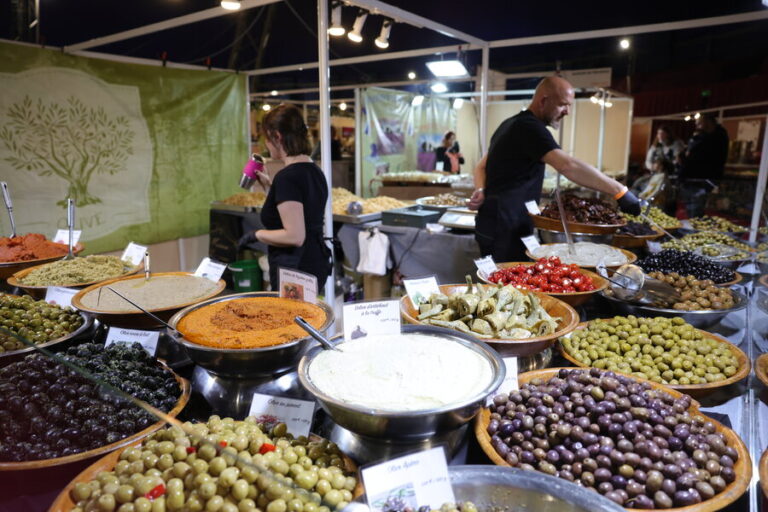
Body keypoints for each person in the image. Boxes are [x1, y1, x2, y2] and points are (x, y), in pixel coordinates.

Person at [468, 76, 641, 262]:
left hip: (497, 223)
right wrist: (619, 191)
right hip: (504, 228)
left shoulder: (510, 124)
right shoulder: (529, 127)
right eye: (563, 105)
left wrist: (481, 190)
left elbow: (481, 167)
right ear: (543, 100)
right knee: (504, 285)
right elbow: (568, 165)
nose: (567, 112)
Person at [239, 104, 332, 288]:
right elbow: (299, 211)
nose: (266, 144)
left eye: (266, 138)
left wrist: (257, 235)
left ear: (278, 136)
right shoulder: (314, 171)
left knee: (292, 317)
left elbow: (295, 236)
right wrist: (269, 188)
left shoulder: (287, 177)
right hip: (314, 262)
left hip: (295, 270)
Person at [678, 114, 729, 218]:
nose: (697, 126)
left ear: (708, 122)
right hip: (694, 178)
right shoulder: (704, 137)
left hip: (701, 179)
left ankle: (694, 232)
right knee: (692, 208)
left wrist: (685, 157)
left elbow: (698, 157)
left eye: (700, 123)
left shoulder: (717, 137)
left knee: (695, 209)